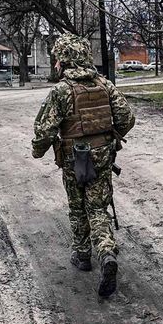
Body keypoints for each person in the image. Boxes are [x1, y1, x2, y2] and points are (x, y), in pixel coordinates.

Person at [31, 33, 135, 298]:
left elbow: (45, 130)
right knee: (98, 207)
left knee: (78, 207)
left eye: (57, 58)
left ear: (64, 60)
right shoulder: (105, 85)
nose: (55, 63)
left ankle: (82, 255)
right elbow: (127, 118)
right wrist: (109, 137)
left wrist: (37, 151)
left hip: (73, 157)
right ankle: (107, 253)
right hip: (102, 155)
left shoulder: (61, 91)